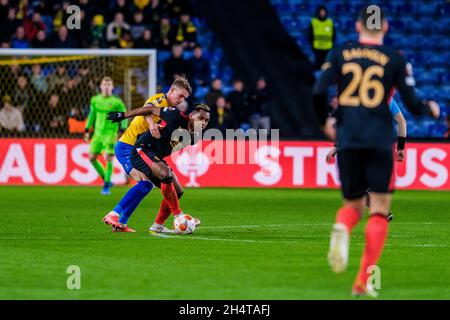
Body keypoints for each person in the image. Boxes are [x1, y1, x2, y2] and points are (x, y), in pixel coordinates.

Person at [313, 6, 440, 297]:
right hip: (379, 139)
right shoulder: (395, 58)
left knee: (353, 206)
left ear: (358, 26)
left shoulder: (339, 53)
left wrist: (325, 125)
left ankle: (342, 227)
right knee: (380, 210)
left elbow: (318, 92)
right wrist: (431, 108)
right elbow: (412, 103)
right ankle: (361, 281)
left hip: (348, 137)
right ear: (385, 27)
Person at [101, 77, 192, 232]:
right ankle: (113, 214)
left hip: (143, 148)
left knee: (153, 186)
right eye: (180, 95)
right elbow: (147, 109)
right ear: (172, 90)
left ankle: (122, 223)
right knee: (144, 184)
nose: (181, 100)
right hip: (127, 146)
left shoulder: (171, 112)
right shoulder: (159, 99)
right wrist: (151, 124)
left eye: (185, 98)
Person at [108, 103, 210, 233]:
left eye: (206, 120)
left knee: (177, 191)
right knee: (166, 174)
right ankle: (178, 215)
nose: (203, 122)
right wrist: (123, 115)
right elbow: (149, 109)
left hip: (155, 156)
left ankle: (157, 226)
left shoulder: (194, 137)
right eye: (200, 118)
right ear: (190, 115)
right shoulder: (174, 115)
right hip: (142, 149)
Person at [84, 77, 127, 195]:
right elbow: (92, 115)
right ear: (101, 86)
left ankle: (106, 186)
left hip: (110, 134)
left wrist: (122, 129)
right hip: (97, 134)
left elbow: (124, 115)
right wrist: (87, 129)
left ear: (112, 87)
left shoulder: (117, 102)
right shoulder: (95, 100)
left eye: (109, 84)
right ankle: (106, 179)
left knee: (108, 158)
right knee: (92, 157)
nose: (107, 86)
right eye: (105, 84)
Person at [308, 5, 336, 70]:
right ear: (318, 12)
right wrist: (312, 44)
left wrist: (332, 44)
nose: (322, 13)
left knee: (327, 65)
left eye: (324, 12)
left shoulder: (330, 22)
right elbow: (310, 34)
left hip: (327, 48)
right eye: (321, 12)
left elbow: (334, 35)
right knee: (317, 65)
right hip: (317, 47)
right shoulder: (314, 22)